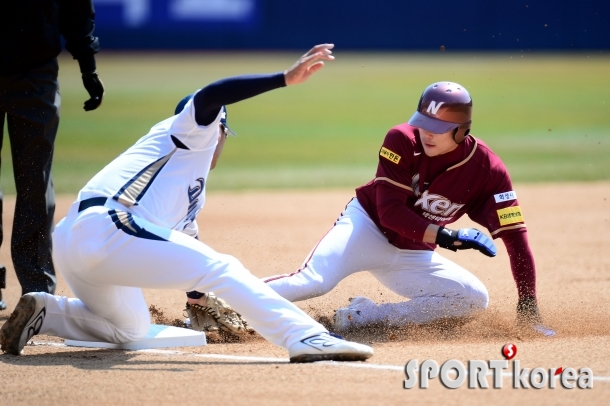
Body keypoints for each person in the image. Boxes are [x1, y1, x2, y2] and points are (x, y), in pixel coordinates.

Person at [0, 44, 374, 363]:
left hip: (76, 243)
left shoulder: (189, 187)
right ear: (220, 129)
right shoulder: (192, 132)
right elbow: (213, 94)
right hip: (107, 227)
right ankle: (305, 338)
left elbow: (185, 249)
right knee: (223, 267)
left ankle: (48, 311)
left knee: (129, 328)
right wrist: (283, 79)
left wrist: (198, 300)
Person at [263, 81, 555, 336]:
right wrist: (444, 236)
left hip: (412, 253)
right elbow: (389, 213)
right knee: (313, 282)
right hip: (366, 227)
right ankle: (223, 297)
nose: (427, 133)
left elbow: (516, 238)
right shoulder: (401, 139)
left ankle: (364, 316)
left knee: (472, 299)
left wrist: (528, 306)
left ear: (462, 130)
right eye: (424, 123)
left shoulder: (489, 171)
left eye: (438, 128)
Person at [0, 1, 105, 310]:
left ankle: (37, 290)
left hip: (36, 73)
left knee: (35, 180)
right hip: (37, 75)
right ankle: (36, 285)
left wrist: (88, 65)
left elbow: (76, 7)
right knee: (36, 181)